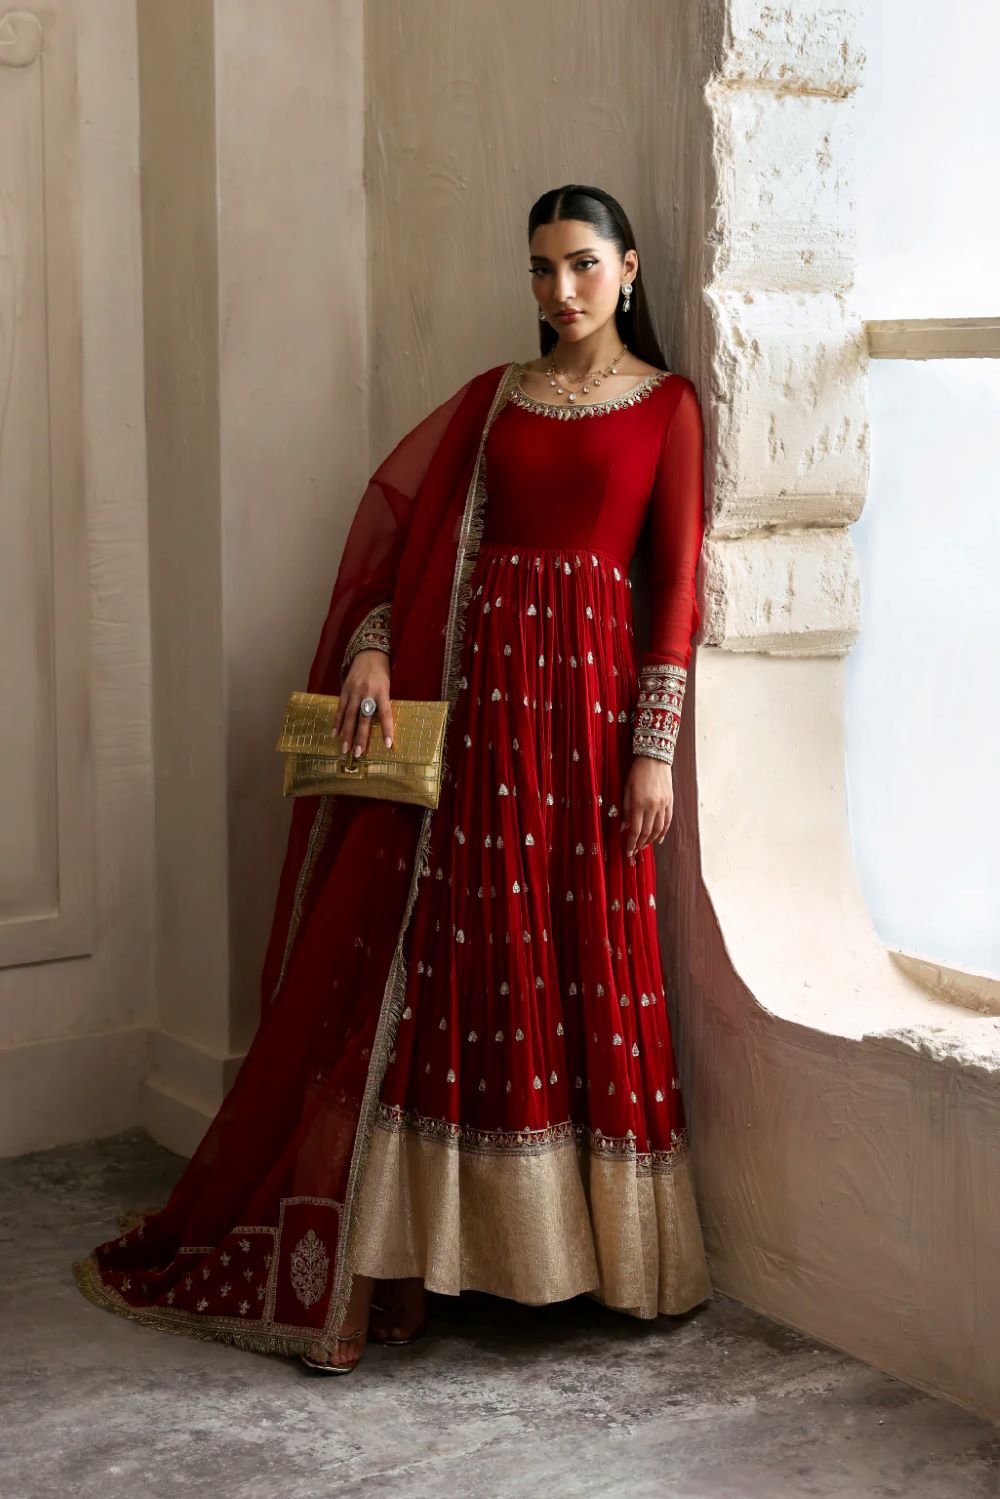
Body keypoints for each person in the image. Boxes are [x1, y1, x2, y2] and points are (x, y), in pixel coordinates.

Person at [73, 183, 712, 1373]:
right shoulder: (494, 401)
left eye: (582, 264)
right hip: (471, 721)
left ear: (628, 269)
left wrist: (654, 743)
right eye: (540, 268)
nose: (559, 289)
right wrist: (371, 647)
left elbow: (673, 582)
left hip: (585, 722)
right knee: (456, 969)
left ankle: (584, 1258)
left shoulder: (667, 406)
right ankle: (416, 1252)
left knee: (579, 950)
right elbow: (402, 547)